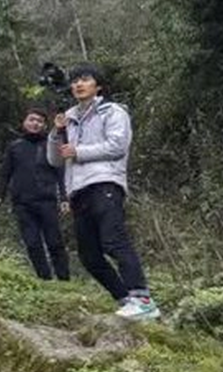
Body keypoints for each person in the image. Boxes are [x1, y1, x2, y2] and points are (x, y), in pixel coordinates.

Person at [46, 63, 160, 320]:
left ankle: (142, 299)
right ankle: (126, 300)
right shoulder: (70, 117)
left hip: (105, 183)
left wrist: (80, 152)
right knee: (89, 255)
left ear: (98, 86)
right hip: (78, 189)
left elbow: (118, 145)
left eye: (85, 79)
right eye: (75, 80)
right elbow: (55, 159)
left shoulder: (113, 111)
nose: (78, 84)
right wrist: (57, 132)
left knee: (114, 240)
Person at [0, 107, 70, 281]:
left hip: (47, 201)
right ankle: (45, 279)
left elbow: (60, 172)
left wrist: (64, 197)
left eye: (40, 121)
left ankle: (64, 279)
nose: (35, 123)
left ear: (44, 125)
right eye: (32, 120)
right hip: (22, 203)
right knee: (32, 243)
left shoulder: (50, 145)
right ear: (24, 122)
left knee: (55, 242)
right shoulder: (15, 147)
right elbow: (5, 173)